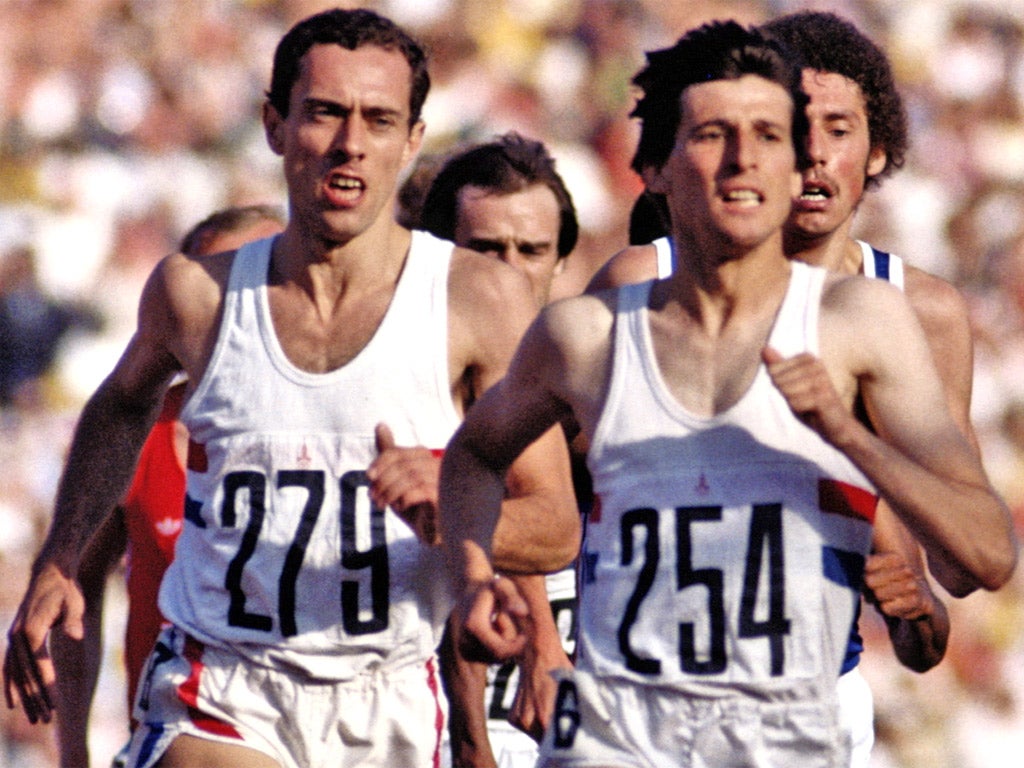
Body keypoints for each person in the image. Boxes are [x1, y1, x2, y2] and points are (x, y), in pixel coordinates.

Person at [3, 9, 578, 768]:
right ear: (275, 125)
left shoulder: (475, 299)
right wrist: (59, 555)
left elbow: (554, 525)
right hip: (225, 682)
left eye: (378, 120)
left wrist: (451, 506)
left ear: (411, 140)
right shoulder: (196, 294)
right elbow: (119, 406)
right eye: (325, 113)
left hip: (394, 694)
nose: (350, 144)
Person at [439, 19, 1016, 768]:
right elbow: (484, 462)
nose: (752, 160)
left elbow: (983, 557)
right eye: (715, 135)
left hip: (794, 715)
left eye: (773, 136)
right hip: (619, 723)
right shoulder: (595, 325)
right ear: (652, 168)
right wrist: (479, 580)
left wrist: (849, 437)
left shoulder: (878, 317)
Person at [589, 11, 966, 766]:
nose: (818, 155)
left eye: (841, 128)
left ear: (880, 148)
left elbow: (958, 561)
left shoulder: (923, 312)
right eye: (796, 127)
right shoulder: (645, 279)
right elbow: (561, 489)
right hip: (640, 700)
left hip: (814, 700)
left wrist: (913, 595)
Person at [49, 204, 286, 768]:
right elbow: (75, 580)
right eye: (217, 287)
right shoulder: (140, 434)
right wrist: (73, 749)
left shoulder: (338, 430)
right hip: (172, 739)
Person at [419, 132, 580, 768]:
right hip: (435, 719)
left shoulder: (600, 376)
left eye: (531, 249)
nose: (508, 269)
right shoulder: (417, 377)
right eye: (486, 248)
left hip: (577, 723)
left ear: (561, 259)